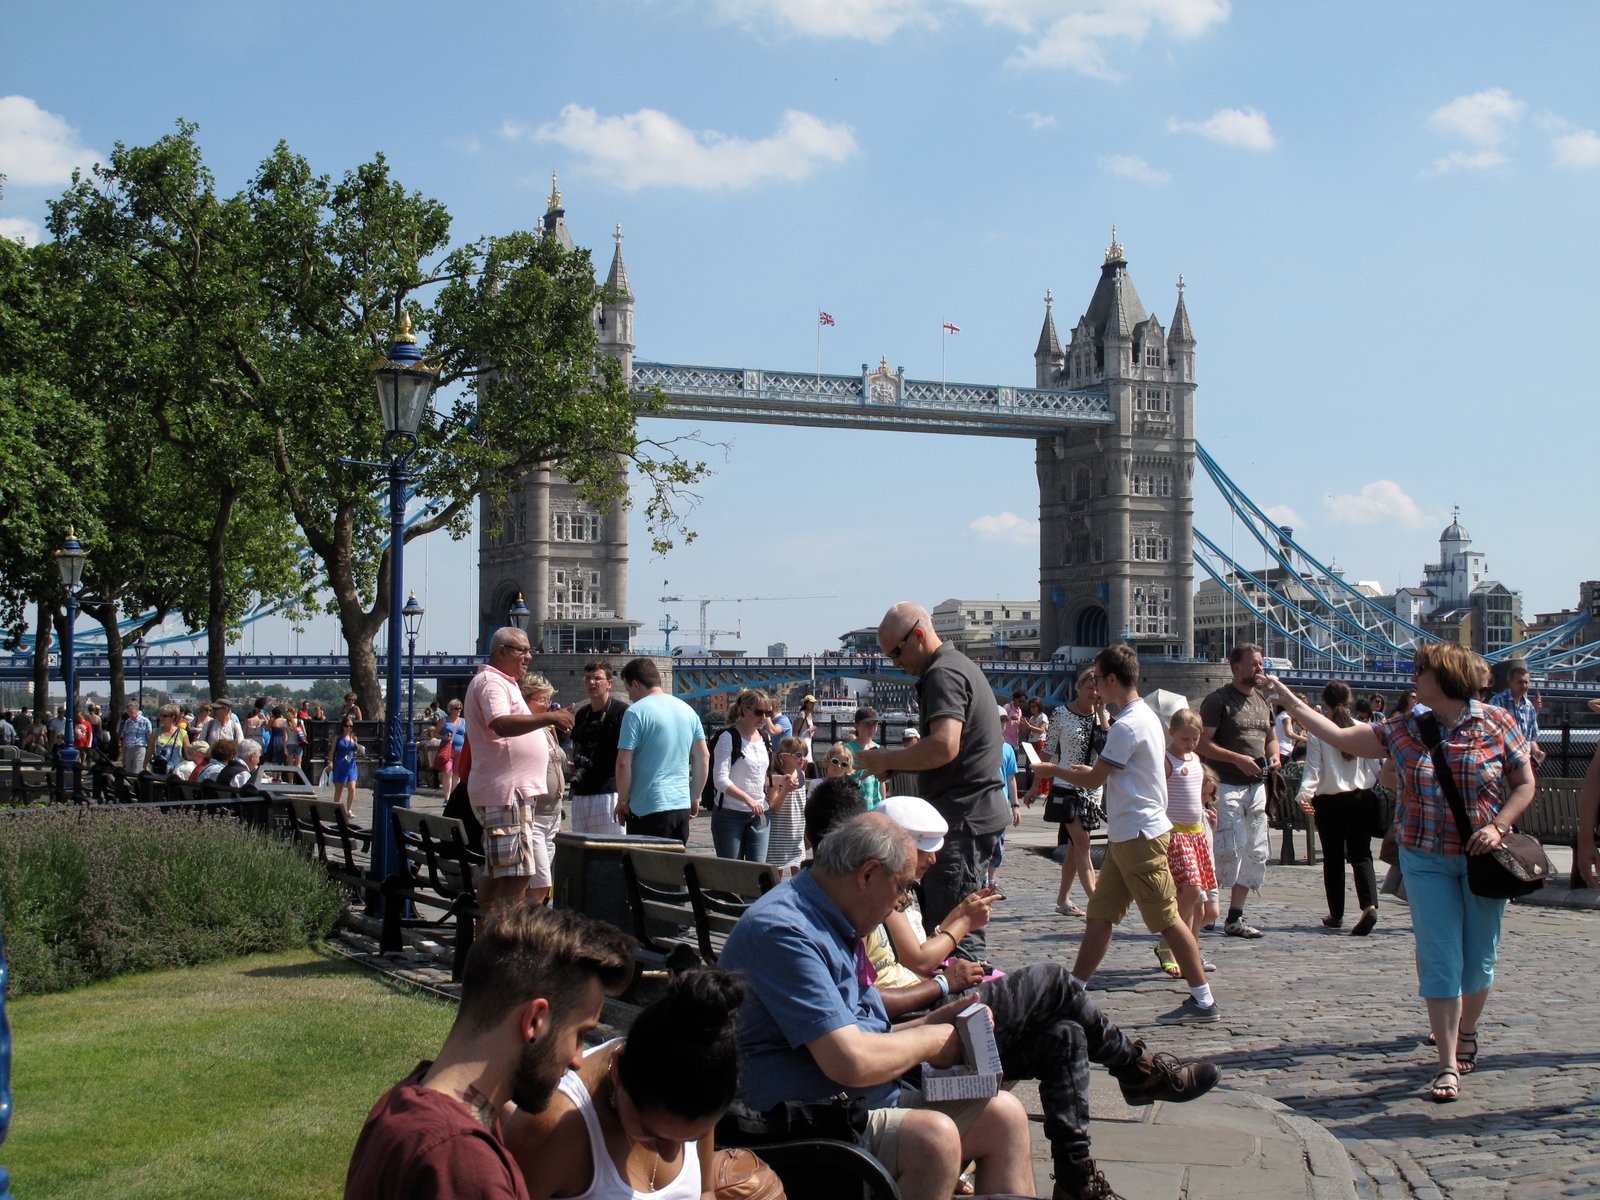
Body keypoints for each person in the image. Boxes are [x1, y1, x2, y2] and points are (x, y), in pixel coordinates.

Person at [870, 794, 1222, 1200]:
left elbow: (909, 961)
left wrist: (953, 935)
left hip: (932, 1005)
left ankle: (1076, 1178)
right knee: (1053, 980)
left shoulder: (894, 893)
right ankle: (1133, 1067)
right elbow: (898, 977)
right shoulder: (865, 903)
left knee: (1065, 1035)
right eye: (923, 851)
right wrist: (950, 966)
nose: (931, 861)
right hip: (918, 1028)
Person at [1263, 642, 1536, 1103]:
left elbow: (1524, 782)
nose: (1413, 677)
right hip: (1425, 856)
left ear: (1443, 677)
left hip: (1481, 856)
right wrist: (1291, 703)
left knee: (1479, 958)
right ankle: (1447, 1062)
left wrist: (1499, 824)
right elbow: (1341, 737)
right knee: (1439, 955)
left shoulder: (1496, 721)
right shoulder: (1407, 726)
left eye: (1420, 670)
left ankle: (1468, 1030)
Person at [719, 812, 1036, 1200]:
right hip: (798, 1122)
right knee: (933, 1140)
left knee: (1002, 1115)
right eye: (902, 888)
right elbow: (849, 1060)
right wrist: (935, 1039)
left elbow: (862, 1035)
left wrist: (934, 1022)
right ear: (868, 874)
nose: (900, 902)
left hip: (850, 1104)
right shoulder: (785, 932)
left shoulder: (837, 919)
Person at [345, 903, 635, 1200]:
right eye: (579, 1034)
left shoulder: (403, 1101)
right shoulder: (461, 1164)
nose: (577, 1059)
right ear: (535, 1020)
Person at [1034, 645, 1218, 1024]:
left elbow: (1095, 779)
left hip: (1139, 834)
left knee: (1168, 919)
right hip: (1126, 832)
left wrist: (1053, 772)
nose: (1096, 685)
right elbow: (1113, 772)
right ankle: (1074, 989)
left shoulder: (1127, 724)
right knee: (1100, 915)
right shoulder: (1145, 718)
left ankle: (1203, 1001)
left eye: (1098, 678)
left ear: (1112, 680)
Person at [503, 968, 747, 1200]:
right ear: (618, 1071)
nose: (670, 1153)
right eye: (651, 1133)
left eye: (693, 1138)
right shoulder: (549, 1130)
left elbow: (705, 1193)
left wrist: (707, 1191)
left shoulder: (699, 1094)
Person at [854, 602, 1009, 959]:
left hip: (961, 820)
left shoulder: (942, 674)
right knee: (954, 926)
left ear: (918, 635)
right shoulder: (958, 666)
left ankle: (962, 1010)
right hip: (970, 817)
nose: (894, 663)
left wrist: (887, 760)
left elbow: (944, 746)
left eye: (895, 652)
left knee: (954, 932)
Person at [464, 628, 575, 912]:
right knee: (519, 872)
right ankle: (503, 943)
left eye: (529, 650)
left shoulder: (506, 682)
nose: (529, 656)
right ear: (501, 651)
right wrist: (547, 717)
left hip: (510, 791)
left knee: (501, 871)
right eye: (522, 650)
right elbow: (500, 723)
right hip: (506, 791)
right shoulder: (492, 682)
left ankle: (488, 941)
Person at [1197, 643, 1278, 939]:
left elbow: (1271, 738)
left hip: (1257, 787)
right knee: (1225, 849)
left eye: (1261, 663)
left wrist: (1274, 755)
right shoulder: (1218, 701)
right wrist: (1237, 759)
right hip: (1226, 785)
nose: (1260, 669)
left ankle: (1236, 916)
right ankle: (1208, 913)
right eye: (1255, 664)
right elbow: (1202, 743)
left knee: (1255, 851)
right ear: (1236, 668)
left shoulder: (1262, 700)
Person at [1295, 681, 1382, 936]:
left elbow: (1312, 769)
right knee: (1361, 855)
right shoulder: (1365, 728)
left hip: (1330, 801)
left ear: (1326, 701)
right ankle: (1369, 905)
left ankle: (1336, 914)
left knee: (1332, 859)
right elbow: (1376, 768)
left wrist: (1304, 796)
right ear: (1350, 699)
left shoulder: (1318, 731)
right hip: (1361, 798)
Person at [1033, 668, 1108, 918]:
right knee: (1083, 843)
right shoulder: (1061, 714)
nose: (1094, 693)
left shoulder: (1103, 717)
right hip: (1066, 786)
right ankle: (1098, 903)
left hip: (1092, 788)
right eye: (1089, 687)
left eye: (1097, 688)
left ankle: (1063, 899)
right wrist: (1035, 785)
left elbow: (1110, 750)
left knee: (1075, 848)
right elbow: (1047, 752)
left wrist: (1102, 715)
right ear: (1079, 688)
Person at [614, 658, 708, 844]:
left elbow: (623, 763)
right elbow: (703, 756)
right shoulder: (688, 711)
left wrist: (623, 801)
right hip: (680, 806)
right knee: (673, 869)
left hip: (648, 807)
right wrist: (695, 796)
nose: (630, 696)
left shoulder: (635, 712)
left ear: (635, 684)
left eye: (628, 690)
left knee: (645, 870)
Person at [1153, 710, 1217, 978]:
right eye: (1184, 739)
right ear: (1171, 734)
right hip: (1176, 834)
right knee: (1190, 891)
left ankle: (1191, 951)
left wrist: (1207, 815)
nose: (1190, 744)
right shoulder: (1166, 759)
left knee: (1199, 904)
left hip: (1197, 834)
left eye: (1194, 739)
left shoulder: (1197, 759)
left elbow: (1197, 797)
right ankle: (1168, 943)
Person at [517, 674, 568, 905]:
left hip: (552, 815)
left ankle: (530, 929)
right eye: (541, 700)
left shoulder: (546, 728)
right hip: (535, 816)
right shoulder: (524, 728)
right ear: (525, 699)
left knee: (542, 883)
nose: (547, 705)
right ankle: (528, 932)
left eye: (548, 700)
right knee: (540, 883)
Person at [709, 689, 774, 862]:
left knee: (758, 873)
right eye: (759, 712)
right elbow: (720, 780)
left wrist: (783, 780)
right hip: (730, 814)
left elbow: (758, 777)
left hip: (760, 813)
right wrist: (747, 799)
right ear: (745, 710)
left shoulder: (765, 738)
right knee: (733, 875)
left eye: (767, 713)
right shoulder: (728, 737)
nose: (763, 718)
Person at [567, 661, 629, 836]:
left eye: (597, 678)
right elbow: (577, 746)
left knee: (612, 850)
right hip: (581, 792)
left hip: (608, 791)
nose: (592, 683)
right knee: (584, 854)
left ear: (609, 683)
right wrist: (574, 762)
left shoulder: (621, 712)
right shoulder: (582, 714)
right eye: (588, 678)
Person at [764, 736, 810, 877]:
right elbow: (774, 807)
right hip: (779, 834)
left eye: (804, 755)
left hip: (796, 832)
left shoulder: (801, 774)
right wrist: (785, 790)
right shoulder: (776, 776)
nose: (802, 759)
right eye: (798, 755)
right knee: (776, 871)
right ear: (784, 757)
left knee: (798, 870)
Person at [1489, 665, 1546, 769]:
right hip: (1503, 761)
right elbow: (1490, 735)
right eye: (1520, 682)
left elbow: (1529, 738)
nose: (1524, 686)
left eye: (1526, 682)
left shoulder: (1529, 706)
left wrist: (1536, 751)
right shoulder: (1497, 702)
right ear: (1510, 683)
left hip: (1523, 761)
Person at [844, 706, 886, 810]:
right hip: (854, 805)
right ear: (856, 726)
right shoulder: (847, 749)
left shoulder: (879, 749)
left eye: (875, 724)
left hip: (875, 804)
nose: (871, 728)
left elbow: (882, 781)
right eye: (867, 724)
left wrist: (883, 804)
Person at [329, 716, 364, 817]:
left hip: (351, 765)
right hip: (340, 763)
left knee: (352, 787)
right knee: (339, 789)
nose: (348, 728)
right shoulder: (338, 737)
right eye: (346, 726)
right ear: (343, 726)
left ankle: (349, 810)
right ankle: (337, 810)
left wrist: (360, 752)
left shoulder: (354, 738)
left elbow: (355, 752)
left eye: (350, 726)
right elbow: (332, 751)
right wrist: (330, 762)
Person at [437, 699, 468, 805]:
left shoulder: (463, 721)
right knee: (447, 772)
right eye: (456, 708)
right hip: (447, 750)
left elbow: (467, 735)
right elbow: (435, 734)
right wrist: (443, 736)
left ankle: (454, 799)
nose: (459, 710)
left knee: (456, 774)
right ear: (451, 709)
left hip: (460, 750)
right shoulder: (444, 721)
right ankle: (447, 798)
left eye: (460, 708)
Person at [149, 704, 189, 773]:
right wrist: (144, 766)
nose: (161, 718)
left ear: (173, 717)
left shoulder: (182, 733)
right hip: (158, 770)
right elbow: (149, 751)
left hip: (175, 771)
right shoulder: (155, 732)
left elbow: (188, 752)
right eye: (160, 715)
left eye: (164, 716)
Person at [119, 700, 152, 774]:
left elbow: (150, 738)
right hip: (129, 748)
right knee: (128, 771)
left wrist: (150, 753)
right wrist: (123, 754)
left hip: (139, 748)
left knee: (136, 771)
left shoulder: (145, 721)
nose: (129, 714)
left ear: (137, 710)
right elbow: (124, 737)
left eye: (131, 712)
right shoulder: (128, 722)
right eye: (128, 712)